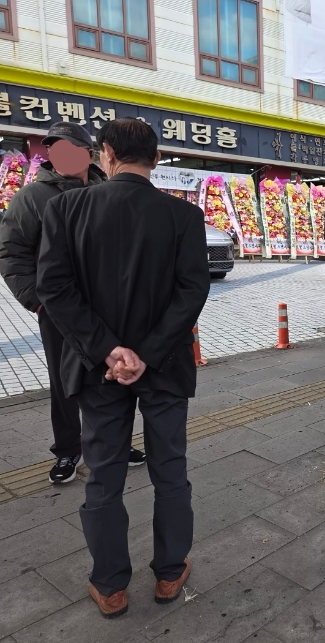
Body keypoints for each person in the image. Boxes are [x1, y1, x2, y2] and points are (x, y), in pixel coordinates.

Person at [36, 118, 210, 618]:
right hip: (165, 366)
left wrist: (109, 351)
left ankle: (111, 585)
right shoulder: (184, 216)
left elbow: (54, 289)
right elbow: (191, 292)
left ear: (106, 154)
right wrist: (146, 354)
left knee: (104, 475)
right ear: (154, 159)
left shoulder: (64, 209)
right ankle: (170, 572)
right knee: (170, 470)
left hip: (98, 370)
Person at [0, 121, 146, 484]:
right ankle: (67, 450)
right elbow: (10, 250)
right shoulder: (32, 197)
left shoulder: (109, 188)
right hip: (59, 308)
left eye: (70, 147)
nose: (61, 154)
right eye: (54, 148)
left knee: (111, 373)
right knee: (65, 380)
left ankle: (115, 440)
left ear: (90, 153)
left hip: (109, 305)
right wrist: (37, 301)